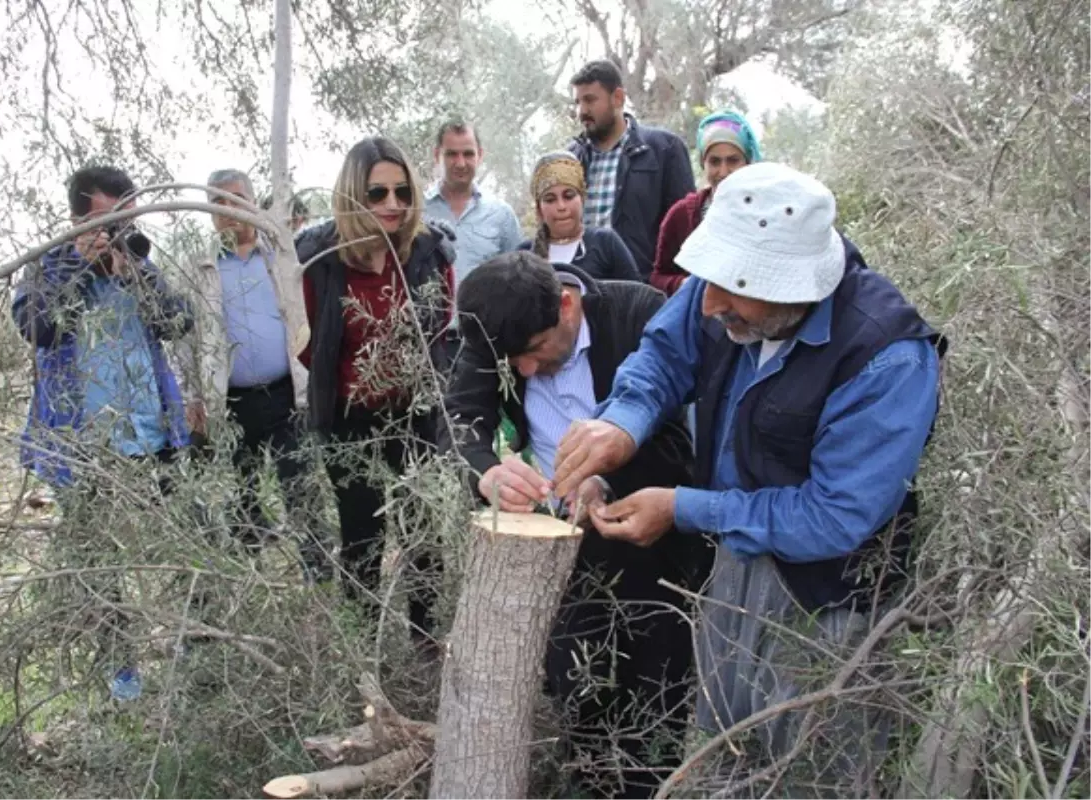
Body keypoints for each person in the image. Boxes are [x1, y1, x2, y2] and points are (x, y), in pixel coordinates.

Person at [553, 163, 946, 794]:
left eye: (732, 290)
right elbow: (662, 357)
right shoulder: (724, 286)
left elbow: (833, 517)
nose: (709, 303)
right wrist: (620, 428)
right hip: (734, 566)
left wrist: (684, 509)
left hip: (831, 601)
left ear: (794, 286)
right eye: (707, 282)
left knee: (811, 772)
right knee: (723, 749)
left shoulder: (887, 356)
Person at [442, 251, 712, 798]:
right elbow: (457, 420)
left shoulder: (638, 312)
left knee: (655, 681)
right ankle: (586, 778)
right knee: (576, 677)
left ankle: (646, 786)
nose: (522, 371)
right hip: (560, 545)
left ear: (567, 306)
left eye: (534, 353)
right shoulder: (498, 328)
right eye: (511, 362)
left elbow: (678, 439)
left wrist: (608, 480)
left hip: (651, 533)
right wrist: (487, 473)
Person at [11, 164, 194, 698]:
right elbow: (37, 327)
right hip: (85, 449)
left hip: (151, 438)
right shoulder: (45, 268)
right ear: (75, 219)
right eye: (106, 221)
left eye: (125, 219)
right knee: (101, 564)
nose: (117, 231)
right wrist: (82, 265)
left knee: (190, 540)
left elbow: (178, 321)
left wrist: (131, 273)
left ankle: (198, 649)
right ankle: (123, 677)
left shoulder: (139, 265)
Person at [296, 136, 456, 649]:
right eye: (377, 193)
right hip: (349, 420)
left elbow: (444, 330)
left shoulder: (432, 252)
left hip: (415, 417)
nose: (393, 204)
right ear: (352, 195)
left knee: (422, 528)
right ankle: (362, 642)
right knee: (361, 535)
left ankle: (424, 636)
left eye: (402, 191)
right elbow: (307, 341)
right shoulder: (319, 259)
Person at [177, 169, 329, 578]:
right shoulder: (200, 267)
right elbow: (188, 339)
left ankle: (321, 577)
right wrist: (193, 396)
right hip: (232, 404)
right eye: (217, 202)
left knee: (301, 490)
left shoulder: (281, 257)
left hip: (286, 396)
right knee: (241, 497)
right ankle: (251, 583)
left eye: (236, 199)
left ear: (253, 202)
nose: (227, 211)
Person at [568, 59, 695, 278]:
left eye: (589, 100)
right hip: (583, 290)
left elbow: (685, 230)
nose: (582, 111)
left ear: (617, 98)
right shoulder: (571, 159)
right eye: (578, 102)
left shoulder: (665, 150)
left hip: (644, 291)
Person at [423, 120, 522, 363]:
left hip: (485, 348)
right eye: (451, 154)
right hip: (428, 346)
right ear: (437, 155)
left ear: (480, 155)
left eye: (468, 153)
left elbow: (520, 284)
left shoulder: (502, 216)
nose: (460, 163)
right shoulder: (416, 213)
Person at [651, 110, 762, 295]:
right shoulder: (682, 215)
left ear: (747, 162)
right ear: (704, 164)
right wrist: (682, 284)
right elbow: (658, 276)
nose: (724, 171)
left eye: (733, 160)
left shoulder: (766, 211)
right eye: (714, 162)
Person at [517, 151, 641, 283]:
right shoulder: (524, 256)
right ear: (539, 208)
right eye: (550, 199)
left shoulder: (605, 243)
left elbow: (638, 298)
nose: (561, 206)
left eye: (569, 196)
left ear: (582, 199)